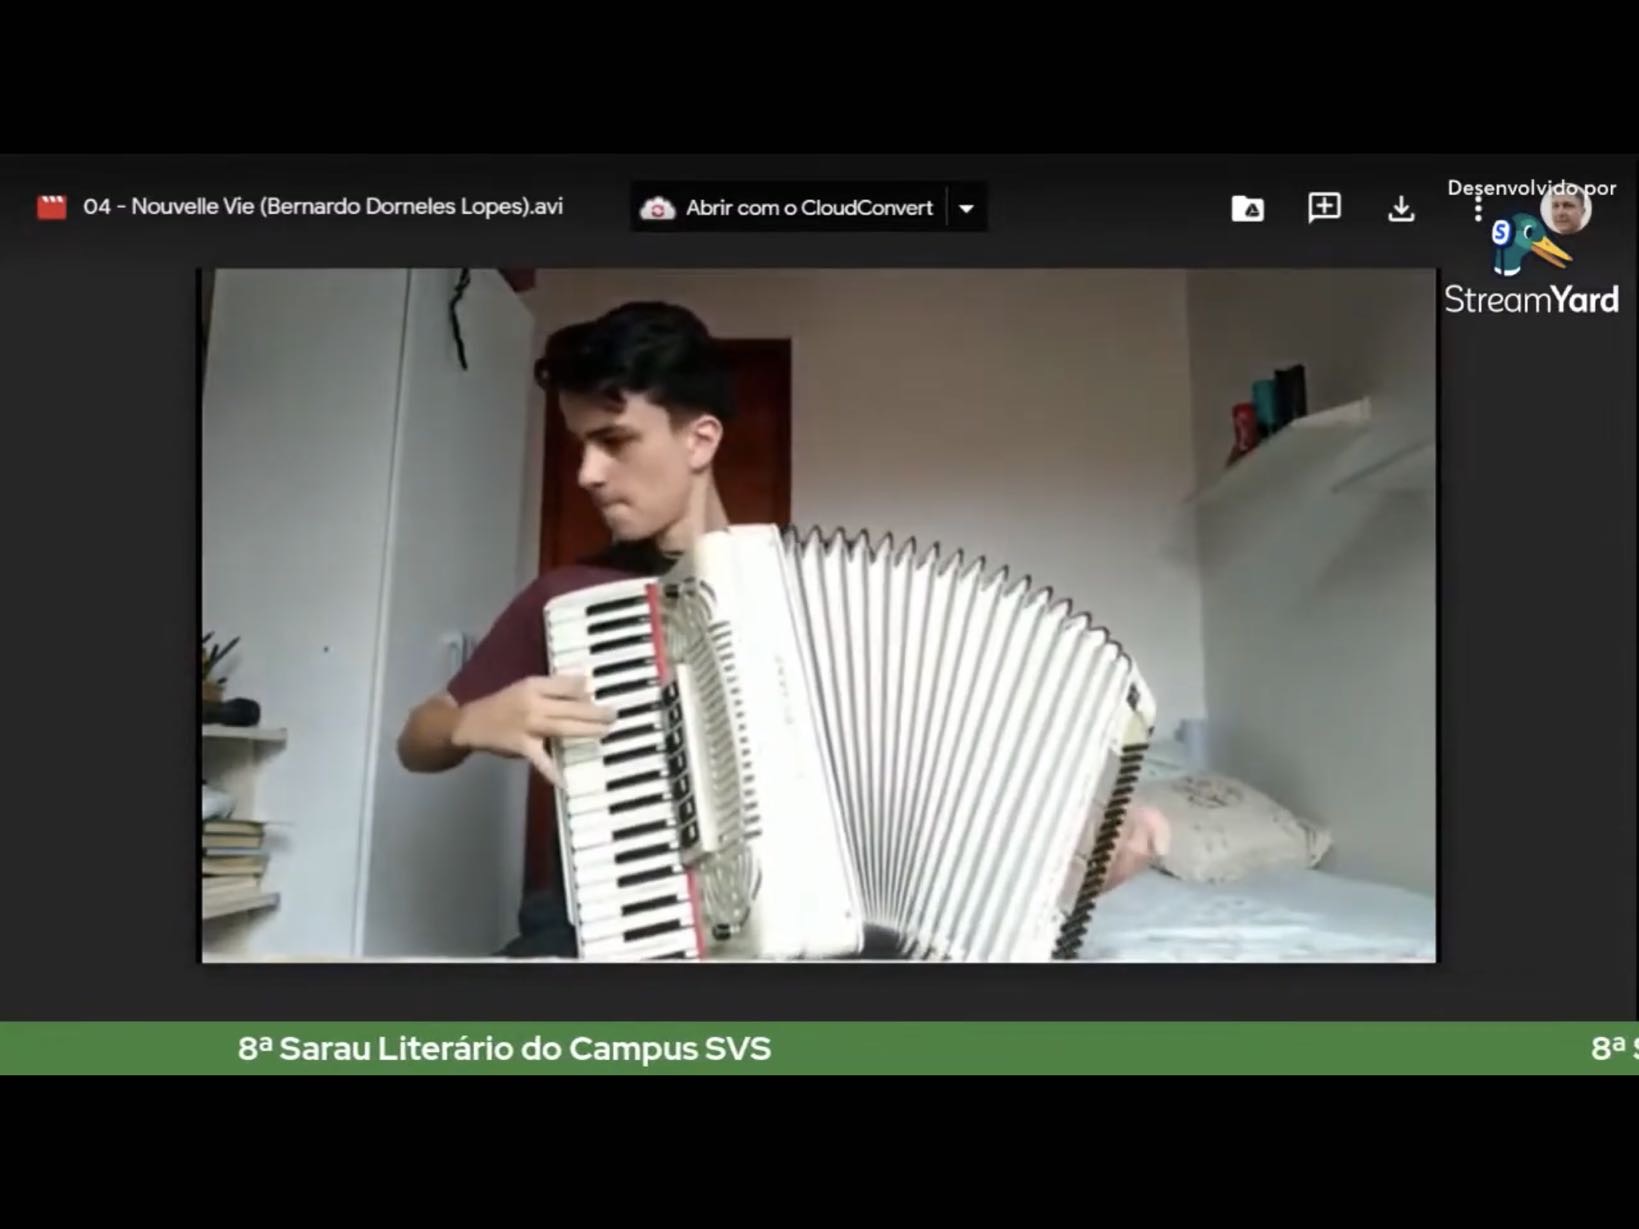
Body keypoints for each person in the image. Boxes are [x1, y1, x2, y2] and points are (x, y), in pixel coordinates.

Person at [395, 299, 735, 954]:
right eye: (581, 446)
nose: (587, 474)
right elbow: (416, 740)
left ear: (699, 440)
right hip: (599, 936)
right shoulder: (571, 596)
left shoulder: (793, 593)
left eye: (615, 441)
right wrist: (472, 720)